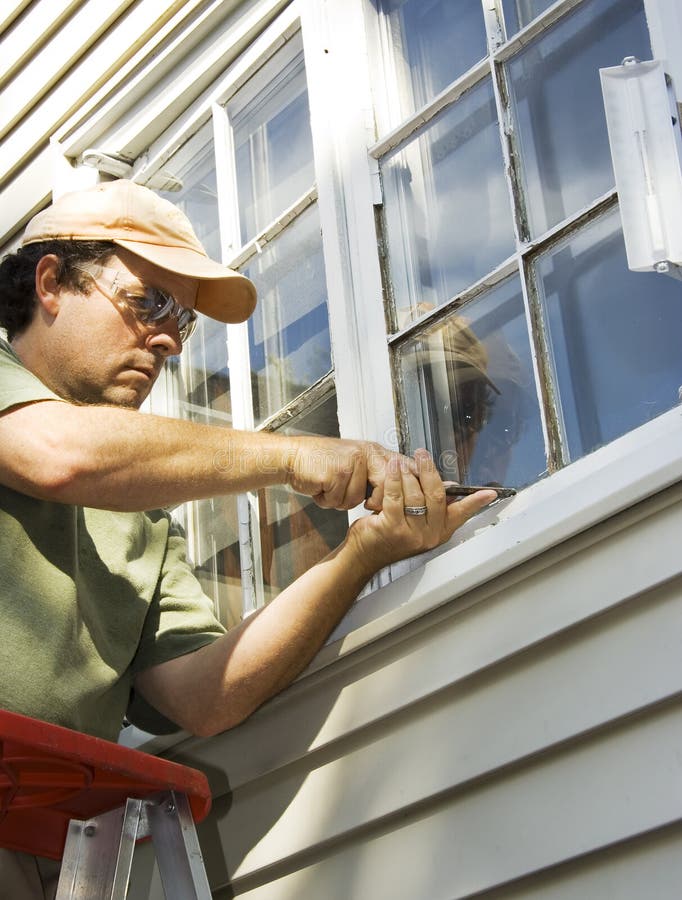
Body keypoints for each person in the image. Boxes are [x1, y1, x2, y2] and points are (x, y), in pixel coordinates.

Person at [0, 179, 496, 897]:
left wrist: (364, 553)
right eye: (148, 303)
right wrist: (290, 455)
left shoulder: (141, 523)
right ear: (51, 283)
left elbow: (205, 698)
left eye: (183, 324)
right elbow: (56, 455)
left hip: (33, 842)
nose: (168, 338)